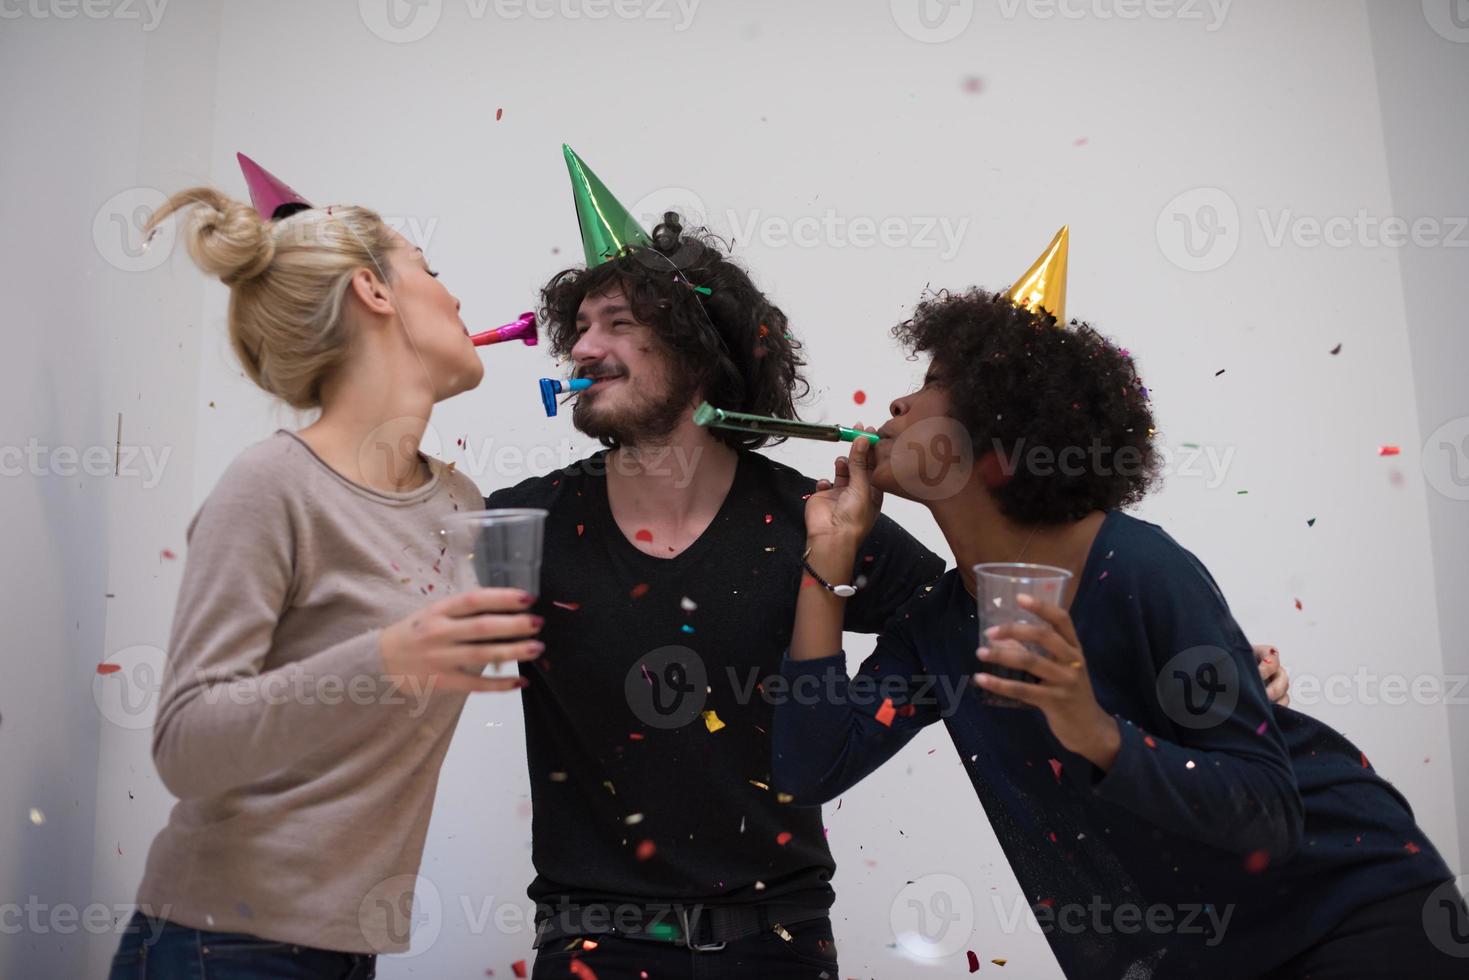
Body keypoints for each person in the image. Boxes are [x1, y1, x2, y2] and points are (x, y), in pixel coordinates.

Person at [771, 275, 1463, 978]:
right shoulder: (938, 627)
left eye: (933, 382)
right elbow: (811, 765)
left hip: (1343, 913)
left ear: (989, 434)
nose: (896, 403)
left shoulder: (1137, 566)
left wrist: (1093, 731)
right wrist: (829, 562)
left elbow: (1268, 810)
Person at [109, 159, 542, 978]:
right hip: (218, 945)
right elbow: (183, 746)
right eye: (431, 269)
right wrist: (383, 658)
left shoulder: (461, 503)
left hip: (347, 952)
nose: (452, 297)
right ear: (374, 293)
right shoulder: (272, 485)